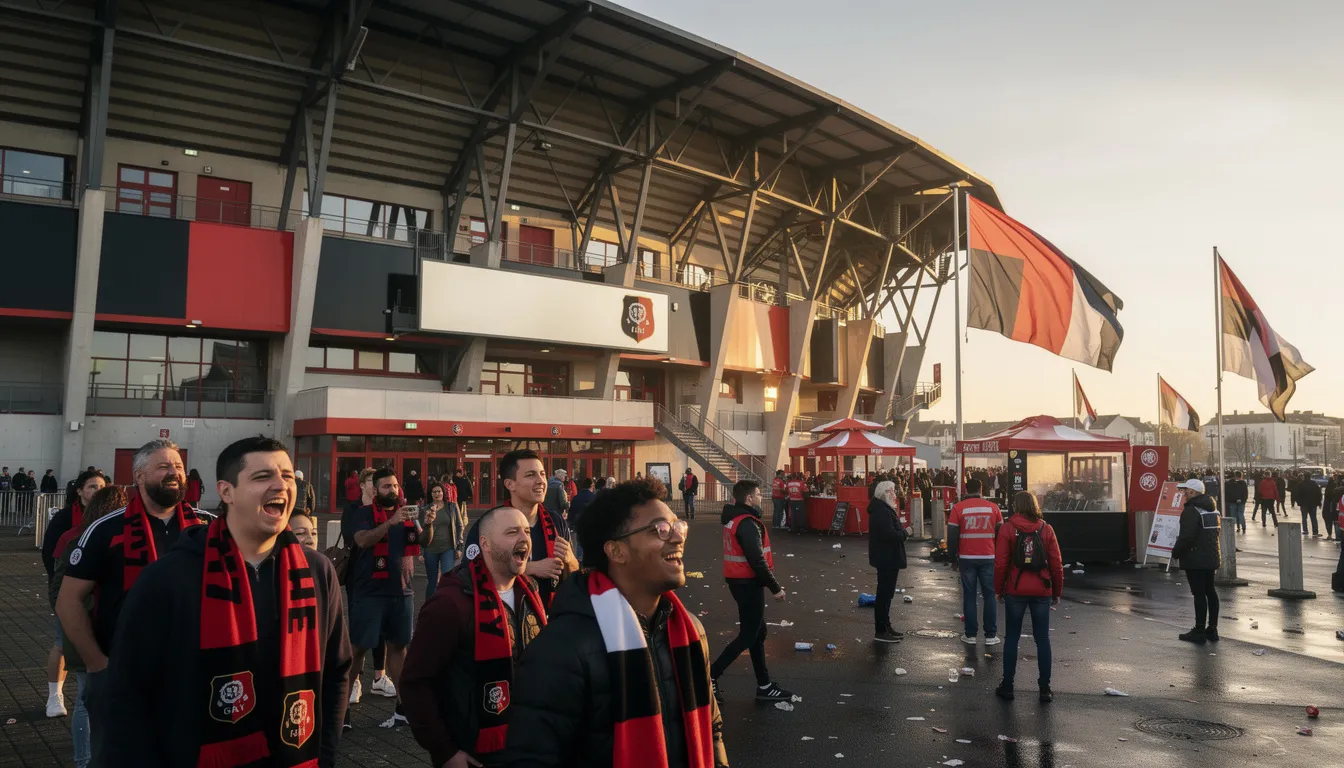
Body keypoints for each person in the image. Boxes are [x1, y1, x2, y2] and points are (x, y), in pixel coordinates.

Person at [100, 436, 351, 767]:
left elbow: (335, 674)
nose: (281, 485)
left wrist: (326, 756)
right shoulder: (167, 579)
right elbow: (127, 693)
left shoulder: (317, 571)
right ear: (226, 491)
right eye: (263, 477)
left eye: (288, 476)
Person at [500, 478, 728, 768]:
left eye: (678, 526)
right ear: (616, 551)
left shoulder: (690, 631)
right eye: (660, 529)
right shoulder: (562, 649)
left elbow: (712, 730)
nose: (678, 537)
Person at [56, 439, 212, 761]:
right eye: (163, 466)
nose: (174, 473)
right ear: (139, 476)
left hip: (192, 674)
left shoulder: (207, 528)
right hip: (121, 673)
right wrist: (98, 665)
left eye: (178, 467)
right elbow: (68, 601)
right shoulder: (105, 529)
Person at [403, 506, 546, 768]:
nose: (524, 538)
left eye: (526, 530)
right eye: (512, 532)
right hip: (475, 752)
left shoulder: (531, 591)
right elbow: (415, 684)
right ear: (485, 544)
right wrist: (445, 752)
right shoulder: (450, 604)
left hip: (531, 745)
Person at [49, 484, 125, 768]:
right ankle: (85, 760)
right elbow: (61, 590)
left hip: (83, 628)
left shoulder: (77, 536)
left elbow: (54, 583)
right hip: (92, 629)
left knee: (87, 697)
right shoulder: (93, 538)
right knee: (87, 697)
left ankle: (88, 759)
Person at [347, 467, 425, 729]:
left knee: (399, 648)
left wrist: (429, 523)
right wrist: (390, 522)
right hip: (369, 592)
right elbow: (362, 540)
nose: (392, 490)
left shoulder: (408, 513)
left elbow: (423, 540)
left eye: (394, 486)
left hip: (402, 591)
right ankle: (341, 710)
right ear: (374, 490)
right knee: (358, 648)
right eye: (385, 487)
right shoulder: (363, 513)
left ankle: (402, 711)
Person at [710, 479, 792, 702]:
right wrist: (775, 588)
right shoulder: (747, 523)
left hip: (740, 582)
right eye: (757, 494)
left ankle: (764, 685)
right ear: (748, 498)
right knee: (749, 635)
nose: (760, 497)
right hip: (748, 583)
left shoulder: (735, 519)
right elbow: (756, 560)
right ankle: (711, 676)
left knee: (757, 633)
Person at [41, 470, 107, 718]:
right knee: (62, 643)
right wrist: (62, 593)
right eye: (91, 487)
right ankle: (54, 695)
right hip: (68, 592)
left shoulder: (112, 519)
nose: (96, 492)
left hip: (98, 597)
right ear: (79, 491)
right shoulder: (65, 519)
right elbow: (50, 555)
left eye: (101, 487)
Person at [993, 491, 1063, 703]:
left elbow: (1001, 563)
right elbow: (1056, 564)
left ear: (1016, 506)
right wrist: (1056, 592)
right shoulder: (1046, 529)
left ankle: (1008, 686)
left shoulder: (1007, 528)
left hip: (1015, 589)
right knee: (1042, 639)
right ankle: (1044, 689)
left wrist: (999, 589)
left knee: (1011, 638)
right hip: (1042, 590)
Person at [501, 450, 579, 608]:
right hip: (507, 618)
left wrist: (570, 560)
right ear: (510, 484)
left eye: (542, 474)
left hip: (552, 618)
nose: (541, 481)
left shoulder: (556, 521)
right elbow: (475, 574)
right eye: (530, 475)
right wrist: (530, 568)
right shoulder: (493, 524)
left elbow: (575, 573)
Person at [947, 478, 1003, 646]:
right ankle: (991, 635)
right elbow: (1001, 534)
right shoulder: (993, 508)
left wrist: (952, 558)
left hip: (966, 558)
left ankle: (970, 635)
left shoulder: (958, 508)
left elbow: (951, 536)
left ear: (966, 489)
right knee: (989, 595)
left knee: (969, 596)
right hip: (988, 557)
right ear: (981, 489)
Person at [1171, 478, 1222, 644]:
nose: (1184, 493)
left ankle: (1199, 630)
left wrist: (1176, 552)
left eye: (1186, 490)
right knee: (1210, 592)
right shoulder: (1212, 510)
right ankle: (1212, 629)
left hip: (1195, 558)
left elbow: (1187, 536)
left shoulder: (1191, 511)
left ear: (1192, 492)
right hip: (1211, 556)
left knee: (1198, 594)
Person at [868, 480, 910, 644]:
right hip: (886, 558)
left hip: (887, 557)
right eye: (891, 491)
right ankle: (881, 630)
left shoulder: (884, 510)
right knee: (884, 595)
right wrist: (905, 533)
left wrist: (901, 532)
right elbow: (890, 535)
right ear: (884, 493)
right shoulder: (882, 512)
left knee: (887, 595)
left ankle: (886, 626)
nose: (894, 495)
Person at [422, 482, 467, 600]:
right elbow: (421, 531)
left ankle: (447, 604)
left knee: (447, 579)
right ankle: (430, 607)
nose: (437, 494)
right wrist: (421, 551)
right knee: (432, 582)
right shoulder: (426, 509)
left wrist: (459, 547)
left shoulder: (451, 506)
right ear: (430, 494)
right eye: (434, 492)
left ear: (443, 493)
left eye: (439, 491)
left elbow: (459, 526)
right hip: (430, 549)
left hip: (448, 548)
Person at [569, 477, 597, 561]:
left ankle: (579, 559)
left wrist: (571, 522)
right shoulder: (594, 497)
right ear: (591, 485)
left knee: (578, 543)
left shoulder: (576, 497)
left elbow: (571, 511)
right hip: (591, 523)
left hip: (578, 523)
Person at [1296, 472, 1322, 537]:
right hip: (1313, 504)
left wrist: (1299, 502)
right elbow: (1319, 493)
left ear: (1304, 476)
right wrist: (1319, 502)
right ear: (1310, 476)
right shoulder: (1314, 484)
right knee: (1313, 518)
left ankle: (1305, 530)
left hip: (1304, 504)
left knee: (1304, 518)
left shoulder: (1301, 484)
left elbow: (1297, 494)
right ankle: (1315, 532)